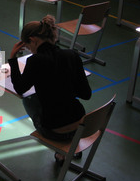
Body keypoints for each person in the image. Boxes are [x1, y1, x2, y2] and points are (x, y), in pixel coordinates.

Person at [8, 15, 92, 163]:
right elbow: (86, 94)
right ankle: (71, 145)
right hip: (80, 126)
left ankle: (61, 150)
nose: (30, 50)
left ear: (33, 40)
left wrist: (13, 59)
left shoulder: (35, 61)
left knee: (28, 100)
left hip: (54, 131)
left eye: (28, 47)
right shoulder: (72, 55)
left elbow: (20, 88)